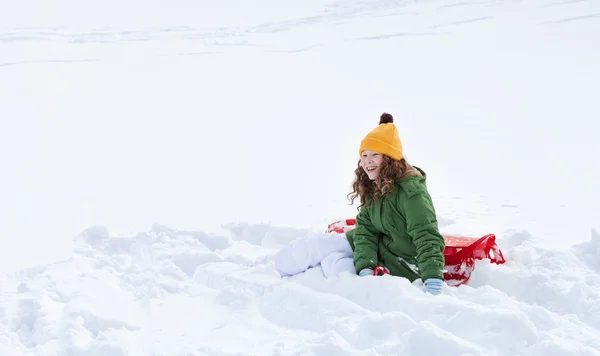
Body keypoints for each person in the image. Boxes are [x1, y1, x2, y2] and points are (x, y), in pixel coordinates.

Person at [264, 113, 446, 295]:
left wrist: (433, 280)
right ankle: (268, 272)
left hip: (399, 261)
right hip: (376, 249)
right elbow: (366, 230)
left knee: (332, 265)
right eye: (364, 155)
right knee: (316, 246)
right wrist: (366, 265)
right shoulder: (375, 186)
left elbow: (426, 236)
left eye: (375, 154)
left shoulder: (412, 193)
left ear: (390, 159)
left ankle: (277, 276)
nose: (368, 161)